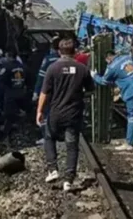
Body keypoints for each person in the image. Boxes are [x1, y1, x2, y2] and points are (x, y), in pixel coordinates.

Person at [36, 38, 95, 191]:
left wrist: (39, 111)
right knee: (72, 145)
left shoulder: (52, 68)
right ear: (75, 51)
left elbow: (44, 93)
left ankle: (53, 169)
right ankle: (68, 180)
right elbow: (90, 89)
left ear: (59, 51)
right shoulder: (82, 69)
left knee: (49, 137)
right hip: (74, 113)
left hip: (56, 112)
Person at [93, 44, 133, 151]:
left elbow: (104, 81)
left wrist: (94, 76)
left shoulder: (112, 67)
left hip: (132, 89)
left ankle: (130, 143)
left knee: (132, 116)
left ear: (108, 58)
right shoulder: (127, 57)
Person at [33, 37, 60, 143]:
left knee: (45, 113)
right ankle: (57, 134)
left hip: (48, 91)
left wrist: (36, 91)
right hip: (62, 92)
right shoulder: (68, 61)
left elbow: (41, 77)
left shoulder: (48, 60)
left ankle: (47, 136)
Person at [0, 49, 28, 135]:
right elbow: (29, 80)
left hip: (10, 95)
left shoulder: (7, 67)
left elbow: (0, 80)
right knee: (21, 114)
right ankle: (21, 132)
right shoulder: (24, 67)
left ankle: (7, 134)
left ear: (8, 55)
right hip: (22, 94)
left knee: (9, 116)